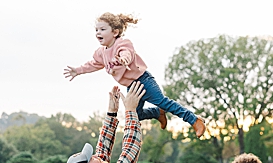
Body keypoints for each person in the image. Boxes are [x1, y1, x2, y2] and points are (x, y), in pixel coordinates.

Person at [63, 12, 205, 137]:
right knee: (134, 116)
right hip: (131, 86)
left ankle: (194, 120)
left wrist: (124, 59)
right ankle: (157, 113)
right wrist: (78, 70)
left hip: (143, 81)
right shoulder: (101, 53)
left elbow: (127, 53)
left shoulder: (122, 43)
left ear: (115, 32)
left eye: (102, 29)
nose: (98, 32)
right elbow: (93, 64)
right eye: (96, 30)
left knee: (164, 102)